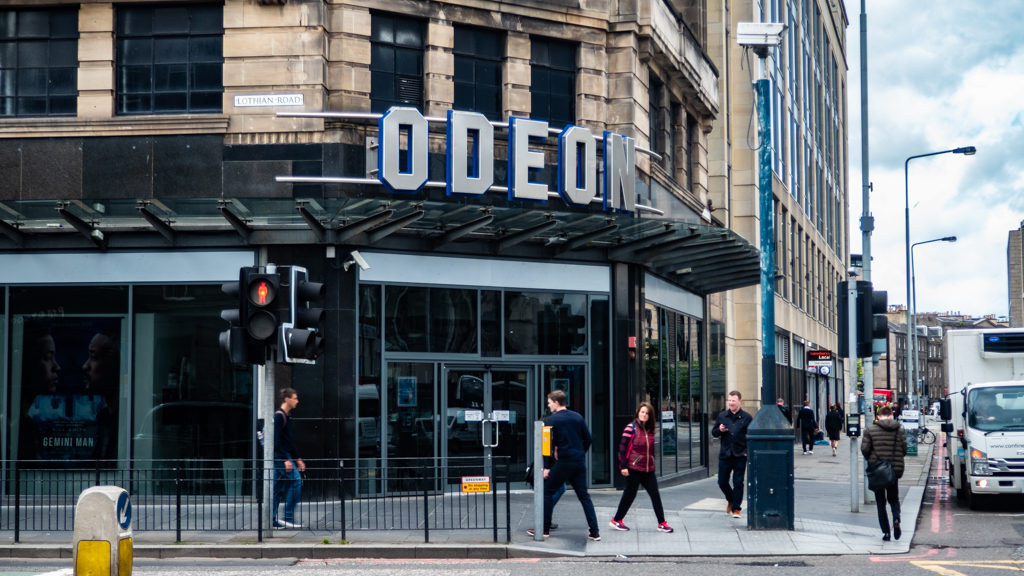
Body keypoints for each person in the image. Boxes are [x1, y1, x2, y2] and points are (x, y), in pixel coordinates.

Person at [527, 389, 600, 541]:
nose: (548, 406)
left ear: (556, 402)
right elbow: (588, 439)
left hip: (563, 462)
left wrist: (547, 467)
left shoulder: (550, 421)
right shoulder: (578, 417)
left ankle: (544, 529)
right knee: (584, 497)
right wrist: (580, 452)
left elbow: (546, 446)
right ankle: (595, 532)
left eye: (549, 403)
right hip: (578, 462)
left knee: (547, 492)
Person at [608, 402, 673, 533]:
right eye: (642, 412)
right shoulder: (631, 428)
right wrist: (623, 466)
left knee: (655, 495)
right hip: (634, 468)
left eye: (647, 413)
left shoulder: (650, 430)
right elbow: (622, 448)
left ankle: (661, 523)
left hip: (648, 469)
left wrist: (652, 462)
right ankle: (616, 520)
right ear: (638, 413)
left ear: (650, 416)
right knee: (629, 495)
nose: (644, 415)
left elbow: (651, 450)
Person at [860, 405, 907, 541]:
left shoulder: (870, 430)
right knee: (894, 499)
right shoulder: (899, 429)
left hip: (877, 470)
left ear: (878, 417)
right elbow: (904, 449)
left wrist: (872, 459)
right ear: (891, 416)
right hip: (893, 469)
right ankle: (896, 519)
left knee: (880, 502)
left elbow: (865, 449)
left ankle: (886, 532)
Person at [711, 390, 752, 519]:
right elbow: (714, 433)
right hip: (726, 454)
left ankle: (736, 509)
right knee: (722, 482)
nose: (731, 403)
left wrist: (747, 452)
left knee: (738, 482)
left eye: (733, 400)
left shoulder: (747, 417)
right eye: (729, 400)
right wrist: (720, 429)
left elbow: (751, 436)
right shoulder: (722, 416)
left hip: (740, 455)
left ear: (740, 401)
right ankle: (731, 499)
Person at [273, 387, 305, 529]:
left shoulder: (287, 416)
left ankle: (272, 519)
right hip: (281, 456)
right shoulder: (279, 417)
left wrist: (297, 458)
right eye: (295, 398)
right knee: (296, 482)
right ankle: (288, 517)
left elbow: (289, 440)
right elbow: (276, 440)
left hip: (284, 456)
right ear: (287, 399)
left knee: (278, 488)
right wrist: (284, 460)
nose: (297, 401)